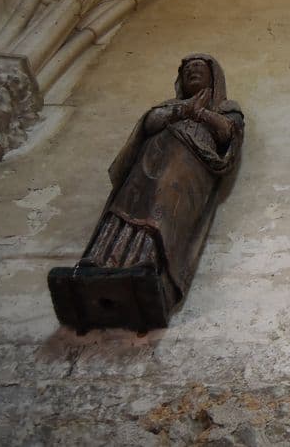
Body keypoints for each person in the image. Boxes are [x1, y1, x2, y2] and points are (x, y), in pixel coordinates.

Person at [48, 54, 244, 332]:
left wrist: (199, 113)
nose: (192, 72)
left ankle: (151, 263)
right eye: (187, 69)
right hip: (148, 163)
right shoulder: (169, 105)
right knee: (129, 206)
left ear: (214, 75)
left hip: (189, 169)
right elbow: (150, 122)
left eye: (199, 68)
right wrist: (182, 111)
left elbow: (227, 133)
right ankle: (106, 261)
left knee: (166, 214)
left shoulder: (225, 108)